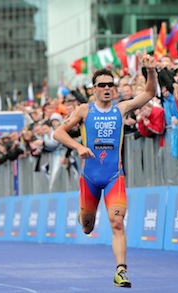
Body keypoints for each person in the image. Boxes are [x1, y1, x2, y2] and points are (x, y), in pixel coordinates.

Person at [53, 51, 157, 288]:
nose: (107, 88)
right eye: (102, 85)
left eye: (111, 84)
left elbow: (149, 93)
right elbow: (57, 133)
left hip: (114, 176)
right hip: (90, 177)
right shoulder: (84, 110)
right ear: (94, 89)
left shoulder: (121, 109)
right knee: (87, 228)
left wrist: (151, 70)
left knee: (117, 222)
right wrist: (78, 146)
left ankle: (121, 271)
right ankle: (85, 216)